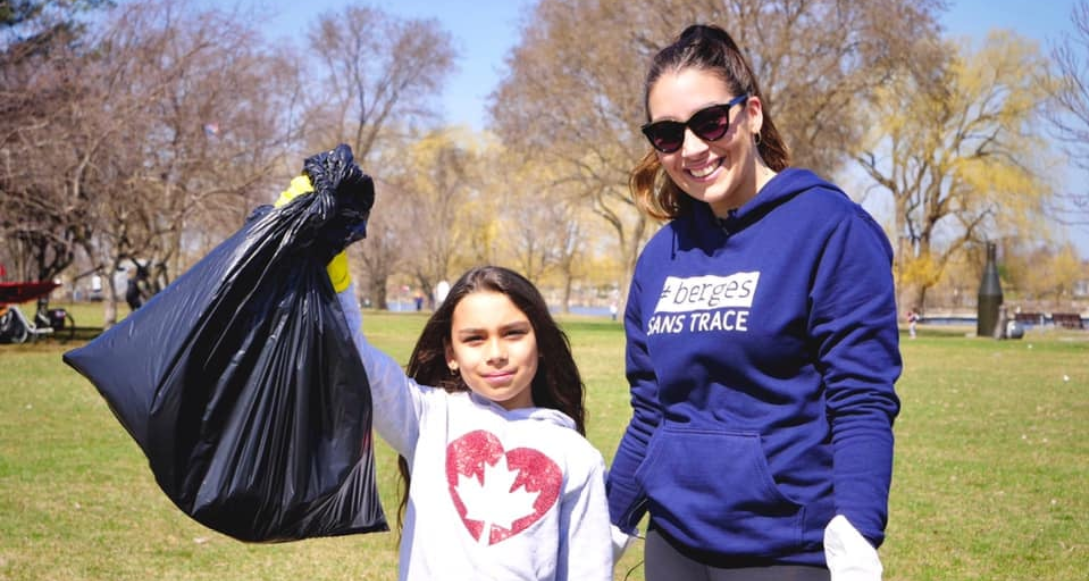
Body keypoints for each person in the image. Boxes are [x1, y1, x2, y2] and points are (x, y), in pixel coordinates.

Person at [606, 24, 902, 581]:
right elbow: (652, 412)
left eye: (709, 122)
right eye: (668, 134)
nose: (692, 148)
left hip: (784, 549)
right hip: (675, 542)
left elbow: (860, 399)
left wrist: (859, 528)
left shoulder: (830, 230)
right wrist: (611, 517)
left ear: (753, 114)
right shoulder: (661, 256)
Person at [276, 178, 615, 580]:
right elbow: (351, 359)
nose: (496, 353)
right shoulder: (428, 418)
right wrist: (329, 262)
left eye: (513, 333)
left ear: (539, 342)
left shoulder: (576, 456)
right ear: (451, 355)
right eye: (474, 339)